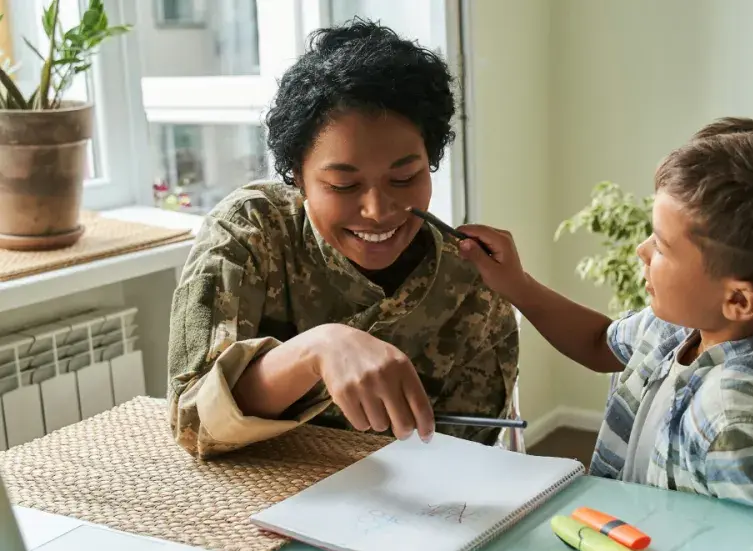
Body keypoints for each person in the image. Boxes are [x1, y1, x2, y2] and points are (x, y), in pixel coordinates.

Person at [457, 118, 753, 551]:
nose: (642, 251)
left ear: (739, 301)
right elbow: (601, 343)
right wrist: (519, 286)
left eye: (662, 246)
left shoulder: (738, 421)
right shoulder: (681, 325)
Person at [166, 19, 518, 460]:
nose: (378, 210)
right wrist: (316, 349)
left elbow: (468, 459)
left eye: (405, 177)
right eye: (343, 185)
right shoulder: (250, 232)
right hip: (253, 502)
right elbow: (192, 422)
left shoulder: (467, 283)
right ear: (298, 176)